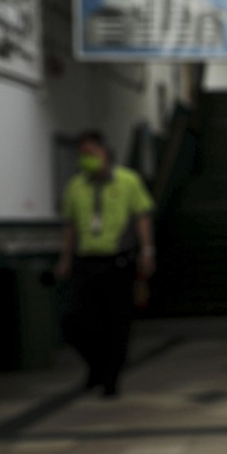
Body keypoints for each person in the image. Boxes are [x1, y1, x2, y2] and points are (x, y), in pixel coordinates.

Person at [56, 130, 156, 397]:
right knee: (75, 322)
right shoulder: (76, 186)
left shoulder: (127, 181)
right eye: (82, 155)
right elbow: (70, 225)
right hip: (86, 262)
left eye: (91, 153)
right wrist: (65, 258)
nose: (87, 159)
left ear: (104, 152)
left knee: (117, 324)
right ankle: (95, 366)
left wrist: (147, 250)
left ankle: (110, 378)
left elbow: (142, 216)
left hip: (118, 262)